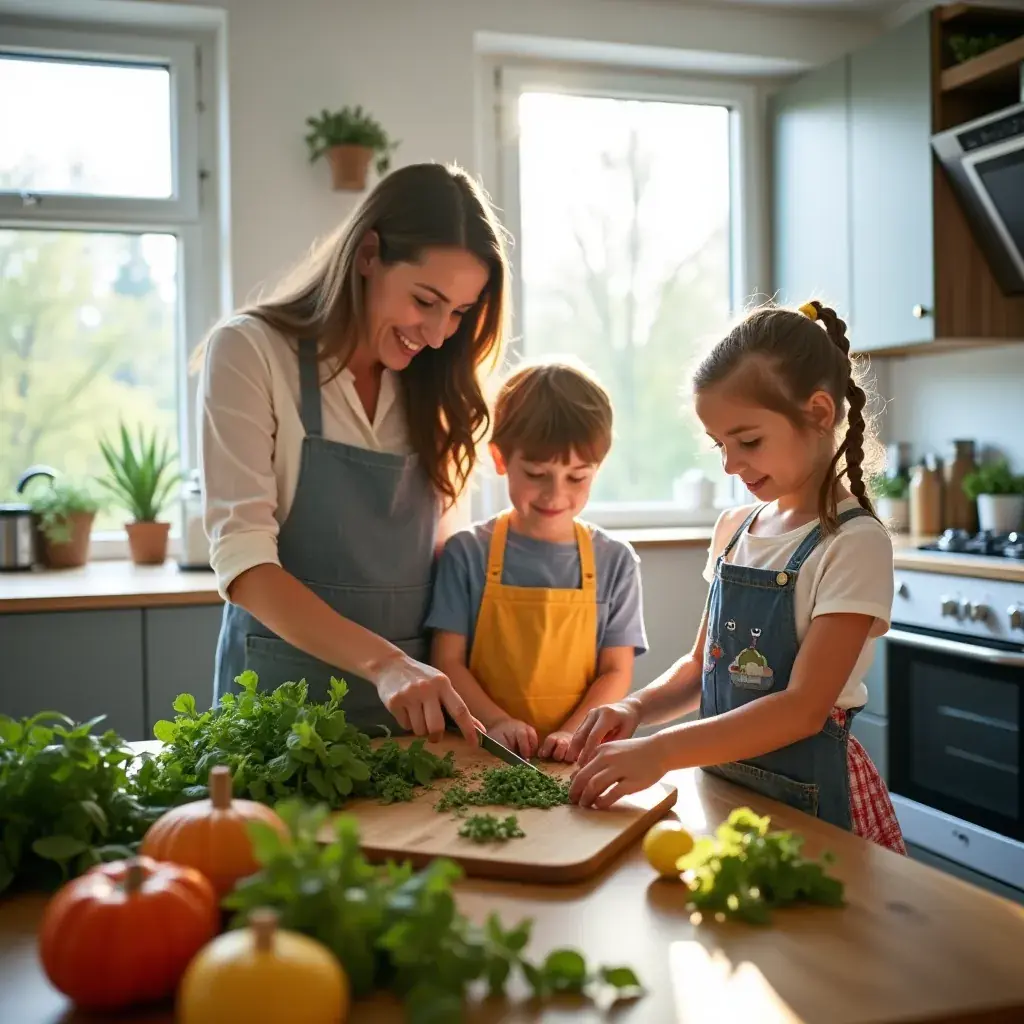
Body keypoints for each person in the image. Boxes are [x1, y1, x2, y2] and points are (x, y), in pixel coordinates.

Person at [567, 301, 906, 854]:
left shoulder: (853, 544)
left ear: (820, 412)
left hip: (812, 802)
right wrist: (635, 709)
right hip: (727, 787)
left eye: (747, 441)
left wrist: (661, 753)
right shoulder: (733, 527)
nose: (729, 464)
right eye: (719, 444)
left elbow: (802, 708)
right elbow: (703, 666)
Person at [197, 162, 512, 743]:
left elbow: (446, 568)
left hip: (413, 725)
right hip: (277, 721)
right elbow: (244, 564)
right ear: (368, 255)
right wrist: (386, 664)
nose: (440, 333)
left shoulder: (438, 386)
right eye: (426, 300)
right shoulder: (250, 352)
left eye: (461, 312)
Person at [425, 360, 648, 761]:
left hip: (577, 755)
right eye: (536, 473)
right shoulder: (467, 554)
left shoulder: (616, 561)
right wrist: (495, 722)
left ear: (598, 469)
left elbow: (616, 671)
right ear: (499, 459)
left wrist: (572, 732)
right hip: (482, 751)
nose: (554, 494)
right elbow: (448, 661)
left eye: (577, 477)